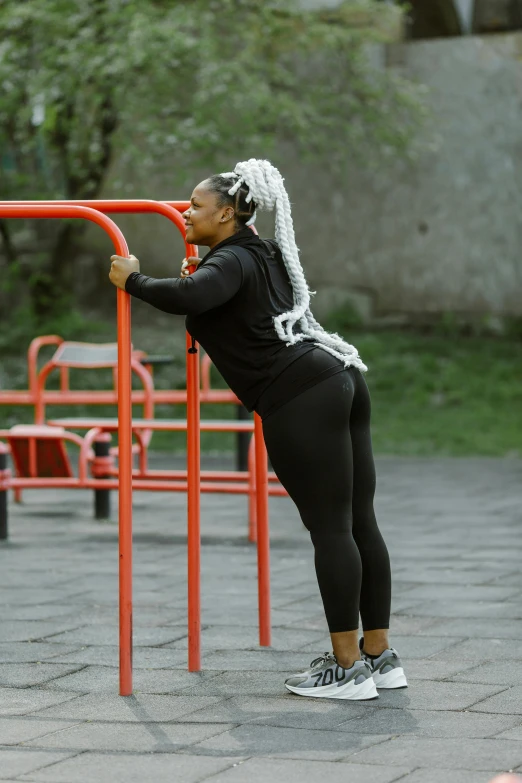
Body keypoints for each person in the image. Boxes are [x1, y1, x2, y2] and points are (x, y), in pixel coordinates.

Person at [109, 158, 407, 701]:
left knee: (332, 529)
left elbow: (191, 299)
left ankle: (345, 671)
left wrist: (133, 280)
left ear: (226, 213)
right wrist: (191, 276)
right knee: (357, 520)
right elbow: (219, 296)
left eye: (196, 206)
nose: (186, 212)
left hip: (301, 393)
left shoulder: (231, 259)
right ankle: (377, 658)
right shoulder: (258, 253)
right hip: (336, 377)